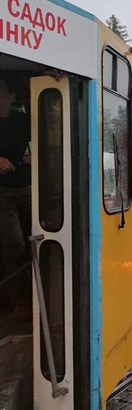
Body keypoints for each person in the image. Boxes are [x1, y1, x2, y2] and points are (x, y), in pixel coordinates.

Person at [0, 76, 31, 310]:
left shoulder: (22, 120)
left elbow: (48, 138)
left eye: (2, 92)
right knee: (14, 247)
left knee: (40, 241)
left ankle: (39, 293)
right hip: (2, 194)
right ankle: (18, 300)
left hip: (28, 188)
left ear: (11, 97)